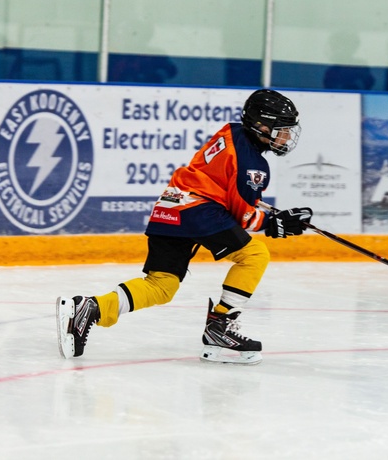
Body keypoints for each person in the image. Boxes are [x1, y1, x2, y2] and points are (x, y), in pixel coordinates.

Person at [56, 89, 313, 365]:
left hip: (171, 205)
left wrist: (266, 212)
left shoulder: (234, 132)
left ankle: (89, 309)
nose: (286, 137)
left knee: (161, 286)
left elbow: (227, 185)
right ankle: (220, 326)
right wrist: (275, 224)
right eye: (281, 130)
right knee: (255, 254)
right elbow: (244, 217)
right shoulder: (253, 164)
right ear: (260, 126)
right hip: (199, 211)